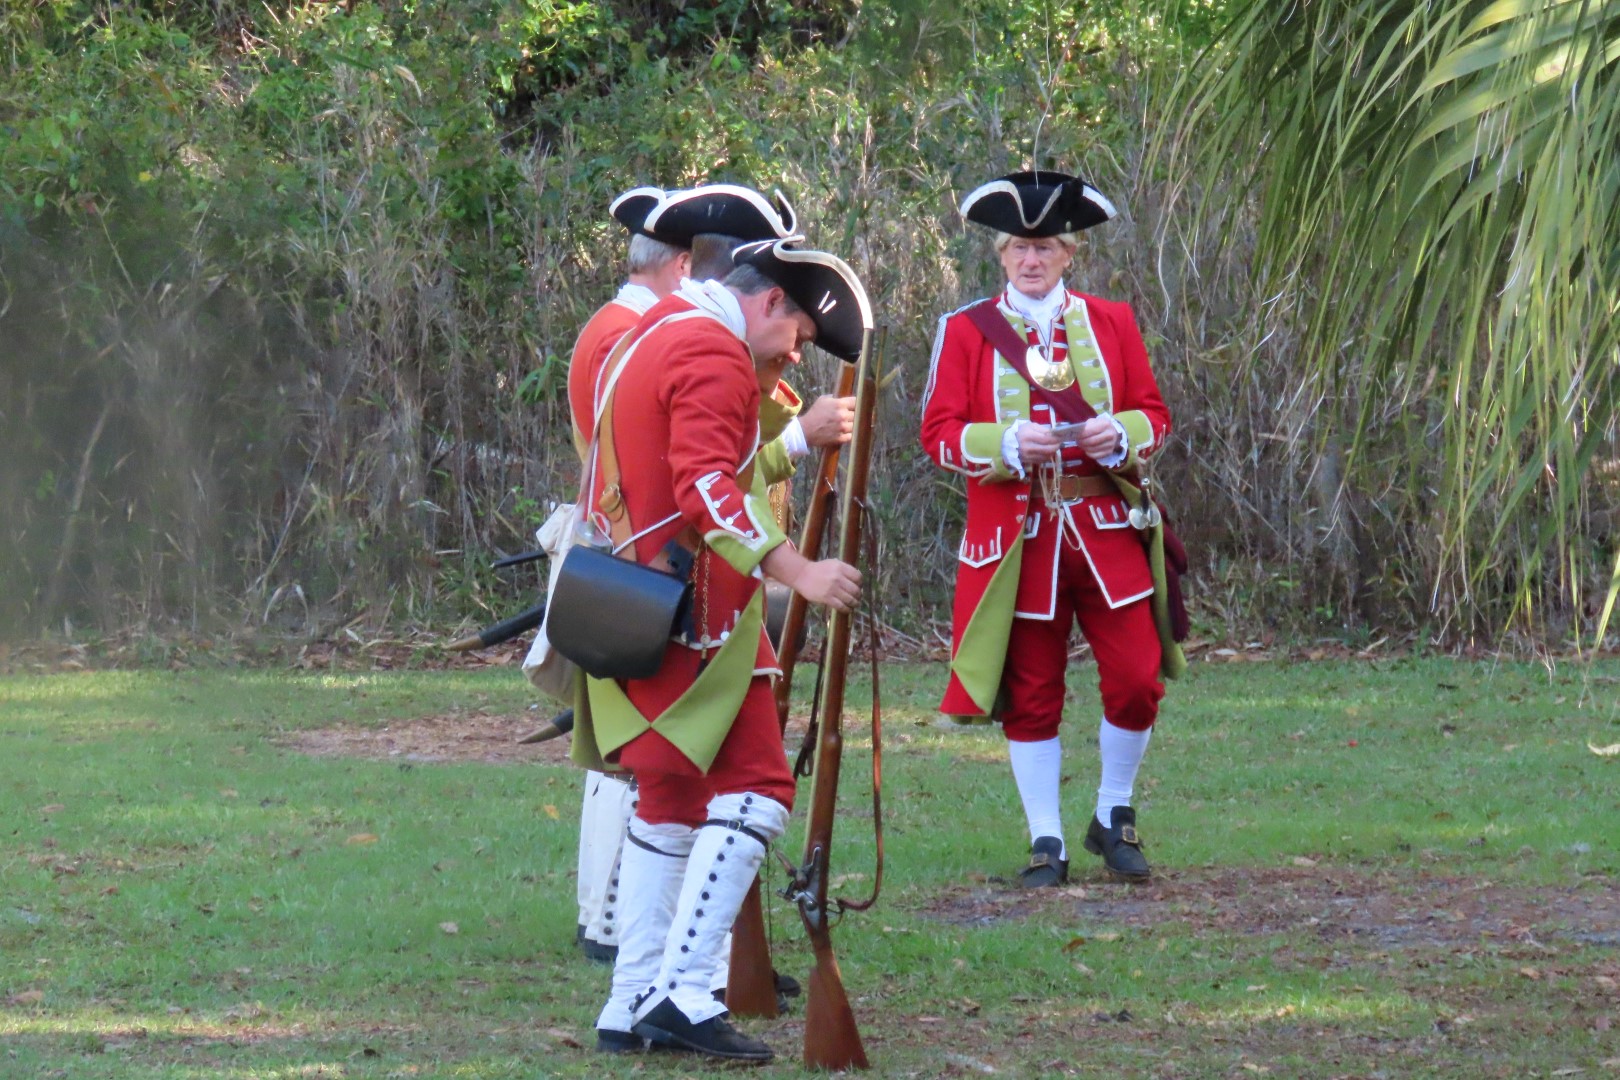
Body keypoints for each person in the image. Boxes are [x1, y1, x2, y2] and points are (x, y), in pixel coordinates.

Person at [570, 237, 870, 1063]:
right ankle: (687, 994)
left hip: (638, 606)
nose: (796, 352)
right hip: (691, 615)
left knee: (668, 797)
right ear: (770, 302)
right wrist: (798, 570)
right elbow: (709, 488)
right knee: (762, 789)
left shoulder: (656, 330)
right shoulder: (711, 349)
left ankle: (630, 999)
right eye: (801, 333)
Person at [920, 170, 1179, 885]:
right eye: (1018, 248)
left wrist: (1117, 436)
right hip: (1019, 539)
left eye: (1045, 248)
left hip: (1105, 530)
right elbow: (937, 434)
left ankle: (1113, 814)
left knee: (1136, 677)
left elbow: (1154, 416)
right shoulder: (965, 331)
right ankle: (1047, 840)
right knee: (1032, 692)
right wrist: (1003, 445)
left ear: (1069, 253)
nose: (1031, 260)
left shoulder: (1112, 321)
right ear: (1000, 256)